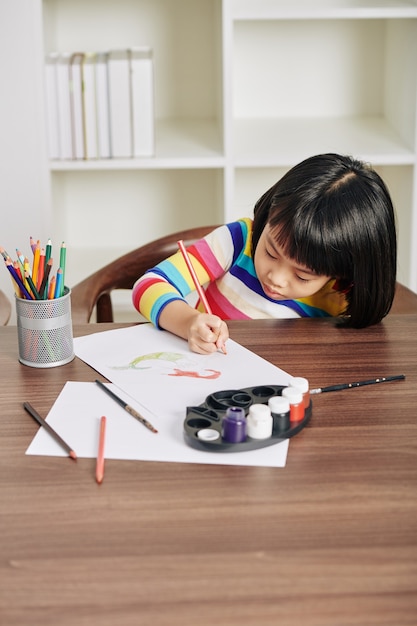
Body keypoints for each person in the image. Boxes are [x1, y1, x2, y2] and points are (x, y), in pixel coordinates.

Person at [132, 153, 397, 354]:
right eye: (271, 252)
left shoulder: (337, 295)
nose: (276, 278)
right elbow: (148, 286)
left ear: (341, 273)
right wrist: (189, 322)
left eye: (303, 276)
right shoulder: (239, 241)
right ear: (268, 213)